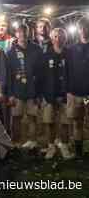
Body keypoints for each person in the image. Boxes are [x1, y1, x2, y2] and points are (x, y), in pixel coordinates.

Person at [7, 24, 43, 149]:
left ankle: (32, 141)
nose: (22, 34)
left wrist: (39, 93)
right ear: (16, 34)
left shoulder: (37, 49)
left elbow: (40, 73)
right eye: (20, 32)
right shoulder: (10, 52)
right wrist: (10, 94)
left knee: (33, 117)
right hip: (17, 91)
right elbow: (9, 75)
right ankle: (16, 142)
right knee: (16, 118)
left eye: (25, 32)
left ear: (29, 33)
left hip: (33, 91)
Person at [42, 28, 73, 160]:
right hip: (50, 96)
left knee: (65, 122)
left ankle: (64, 146)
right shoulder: (46, 55)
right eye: (55, 36)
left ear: (65, 38)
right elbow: (41, 76)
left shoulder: (70, 54)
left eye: (61, 36)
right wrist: (45, 95)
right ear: (51, 38)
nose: (58, 39)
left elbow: (73, 74)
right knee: (49, 122)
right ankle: (51, 146)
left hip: (66, 95)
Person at [66, 17, 89, 158]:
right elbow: (67, 70)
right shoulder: (71, 49)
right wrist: (68, 90)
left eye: (86, 27)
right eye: (82, 28)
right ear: (79, 30)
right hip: (75, 92)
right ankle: (79, 152)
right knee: (77, 123)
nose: (84, 30)